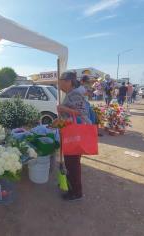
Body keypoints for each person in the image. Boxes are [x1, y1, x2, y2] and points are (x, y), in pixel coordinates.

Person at [57, 71, 91, 201]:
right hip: (71, 132)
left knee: (73, 163)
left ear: (68, 82)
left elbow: (82, 113)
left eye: (61, 80)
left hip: (76, 133)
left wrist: (63, 109)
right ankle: (72, 187)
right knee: (71, 162)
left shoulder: (75, 93)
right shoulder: (70, 94)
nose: (59, 83)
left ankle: (76, 192)